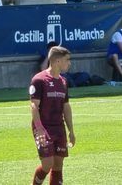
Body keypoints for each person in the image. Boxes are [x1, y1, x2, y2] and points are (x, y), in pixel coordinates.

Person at [30, 46, 75, 185]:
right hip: (43, 127)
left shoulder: (63, 81)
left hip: (58, 127)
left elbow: (66, 106)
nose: (69, 63)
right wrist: (39, 128)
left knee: (58, 164)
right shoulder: (39, 80)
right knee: (47, 164)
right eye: (67, 60)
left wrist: (71, 131)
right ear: (57, 61)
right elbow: (33, 106)